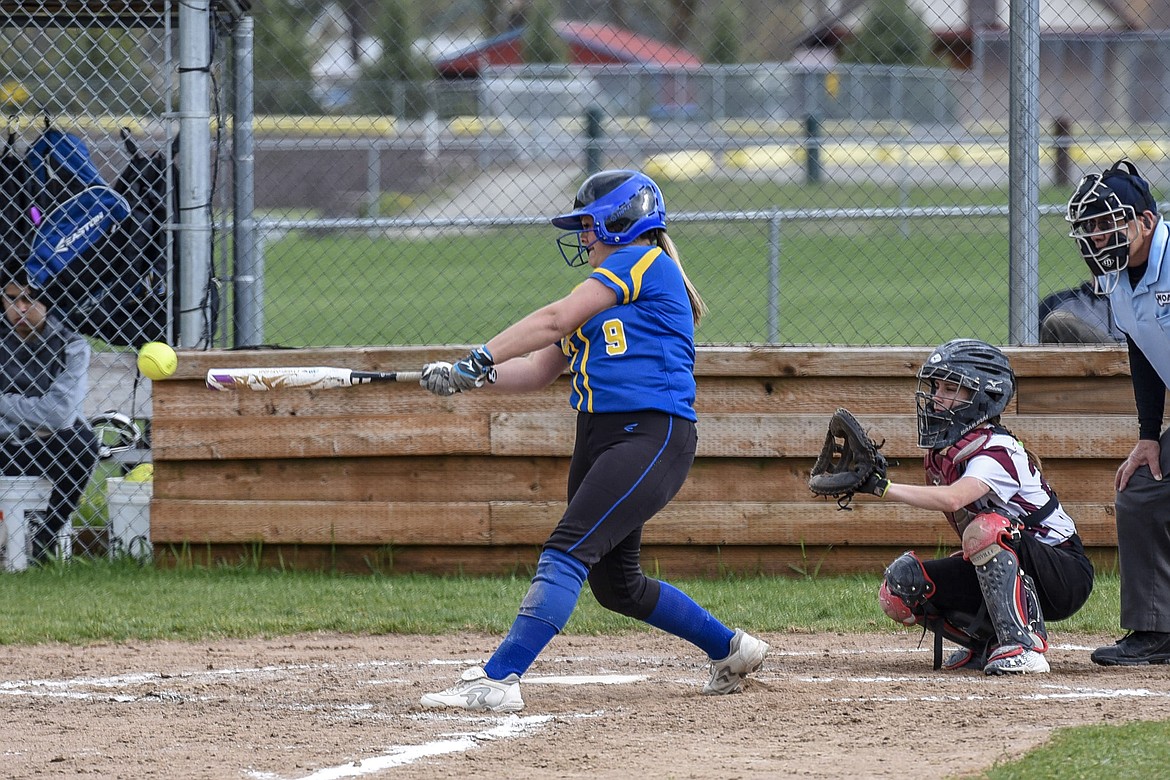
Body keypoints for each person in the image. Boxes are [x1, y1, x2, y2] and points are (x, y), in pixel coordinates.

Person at [415, 169, 768, 711]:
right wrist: (469, 379)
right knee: (617, 586)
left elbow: (553, 318)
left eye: (589, 225)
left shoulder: (642, 261)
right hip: (600, 436)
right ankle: (731, 649)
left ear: (621, 221)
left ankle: (499, 680)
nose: (584, 237)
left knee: (566, 550)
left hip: (651, 434)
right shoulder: (604, 290)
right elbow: (536, 372)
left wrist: (481, 356)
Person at [869, 339, 1094, 675]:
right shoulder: (945, 455)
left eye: (951, 388)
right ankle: (986, 643)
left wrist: (881, 487)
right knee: (901, 585)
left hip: (1063, 572)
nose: (936, 397)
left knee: (986, 529)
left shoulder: (997, 449)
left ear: (981, 398)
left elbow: (953, 499)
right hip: (1014, 559)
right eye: (936, 387)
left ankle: (1023, 646)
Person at [1066, 159, 1170, 665]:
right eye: (1090, 225)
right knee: (1144, 488)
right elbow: (1145, 353)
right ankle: (1155, 632)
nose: (1097, 234)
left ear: (1146, 222)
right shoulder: (1119, 280)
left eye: (1109, 222)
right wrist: (1149, 434)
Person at [1, 261, 98, 563]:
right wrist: (33, 413)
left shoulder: (71, 344)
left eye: (29, 298)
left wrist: (4, 403)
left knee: (82, 441)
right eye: (11, 298)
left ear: (47, 300)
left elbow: (60, 415)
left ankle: (45, 538)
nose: (20, 307)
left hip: (44, 447)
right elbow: (49, 412)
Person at [1038, 280, 1125, 344]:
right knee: (1057, 321)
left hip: (1131, 362)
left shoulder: (1135, 300)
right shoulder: (1056, 303)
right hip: (1083, 366)